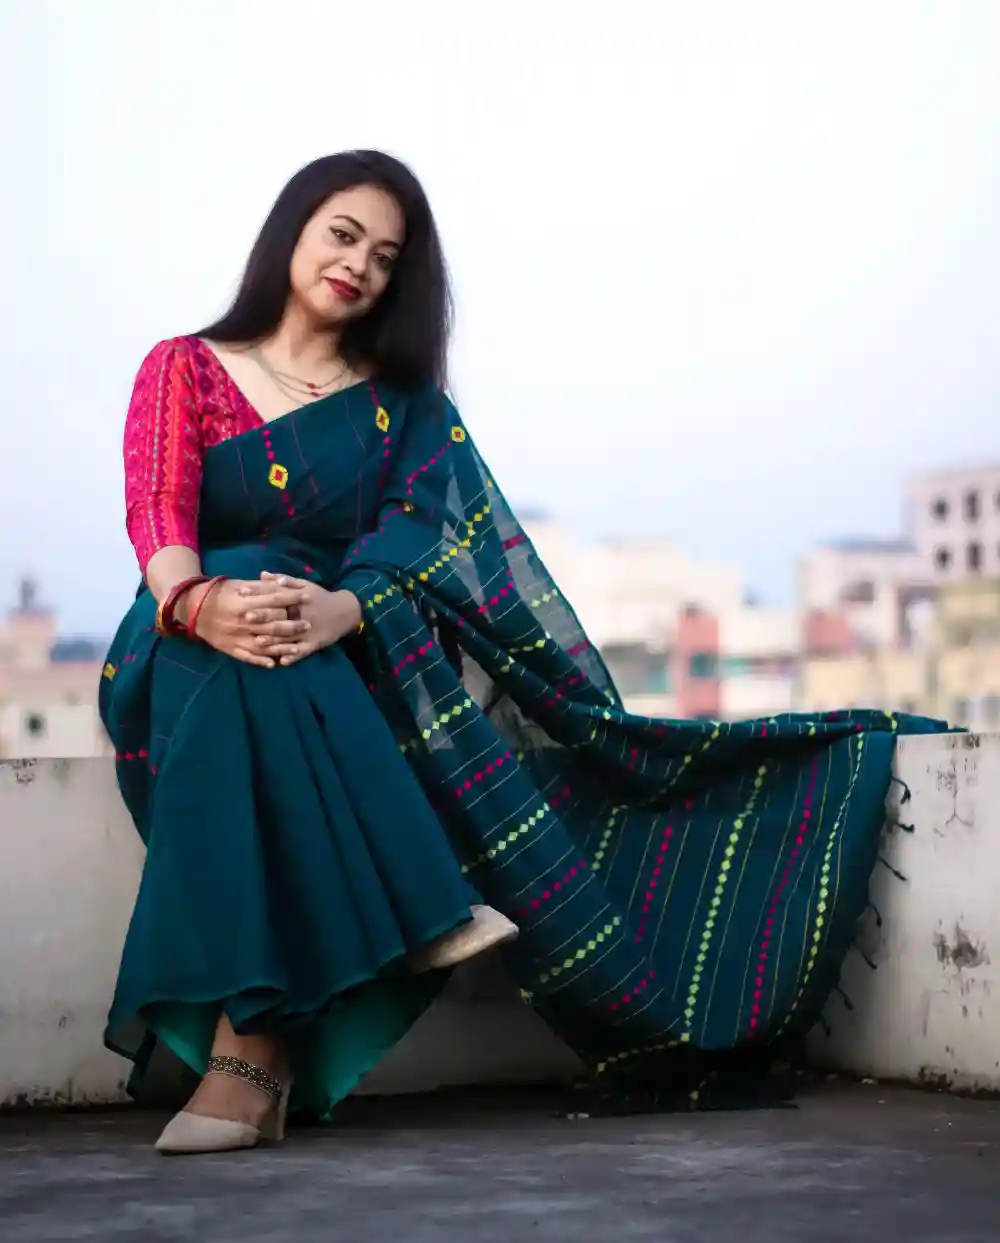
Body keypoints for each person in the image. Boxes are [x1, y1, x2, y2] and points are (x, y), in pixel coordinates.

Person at [102, 149, 947, 1156]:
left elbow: (423, 528)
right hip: (182, 632)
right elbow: (158, 508)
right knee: (240, 622)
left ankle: (253, 1061)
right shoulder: (184, 366)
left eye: (386, 256)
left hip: (333, 648)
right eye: (343, 233)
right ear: (291, 227)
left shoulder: (400, 405)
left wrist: (339, 608)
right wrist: (200, 601)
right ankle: (420, 905)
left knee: (267, 666)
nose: (360, 265)